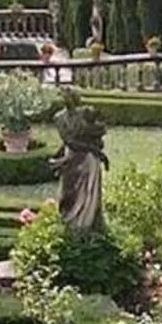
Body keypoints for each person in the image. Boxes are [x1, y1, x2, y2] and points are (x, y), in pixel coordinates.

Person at [50, 89, 110, 231]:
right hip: (72, 157)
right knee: (69, 192)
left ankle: (88, 227)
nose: (68, 100)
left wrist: (97, 150)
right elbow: (69, 141)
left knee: (90, 194)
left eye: (71, 98)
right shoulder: (59, 118)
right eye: (65, 97)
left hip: (89, 160)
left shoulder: (84, 114)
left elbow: (100, 130)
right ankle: (70, 225)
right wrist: (100, 153)